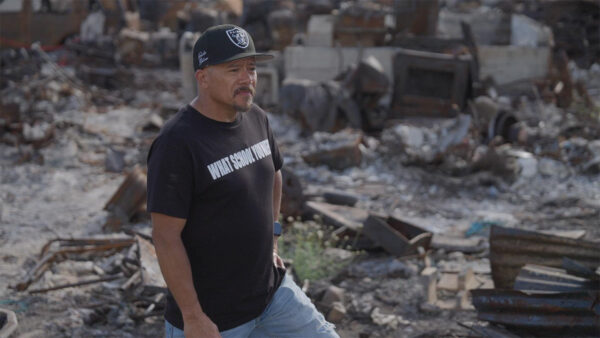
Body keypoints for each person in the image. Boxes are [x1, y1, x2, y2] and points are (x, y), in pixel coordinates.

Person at [147, 24, 339, 338]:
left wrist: (273, 235)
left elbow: (274, 174)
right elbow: (166, 237)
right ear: (203, 77)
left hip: (273, 297)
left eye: (251, 69)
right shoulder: (177, 143)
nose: (247, 79)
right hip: (214, 319)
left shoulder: (257, 118)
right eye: (233, 69)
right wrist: (193, 317)